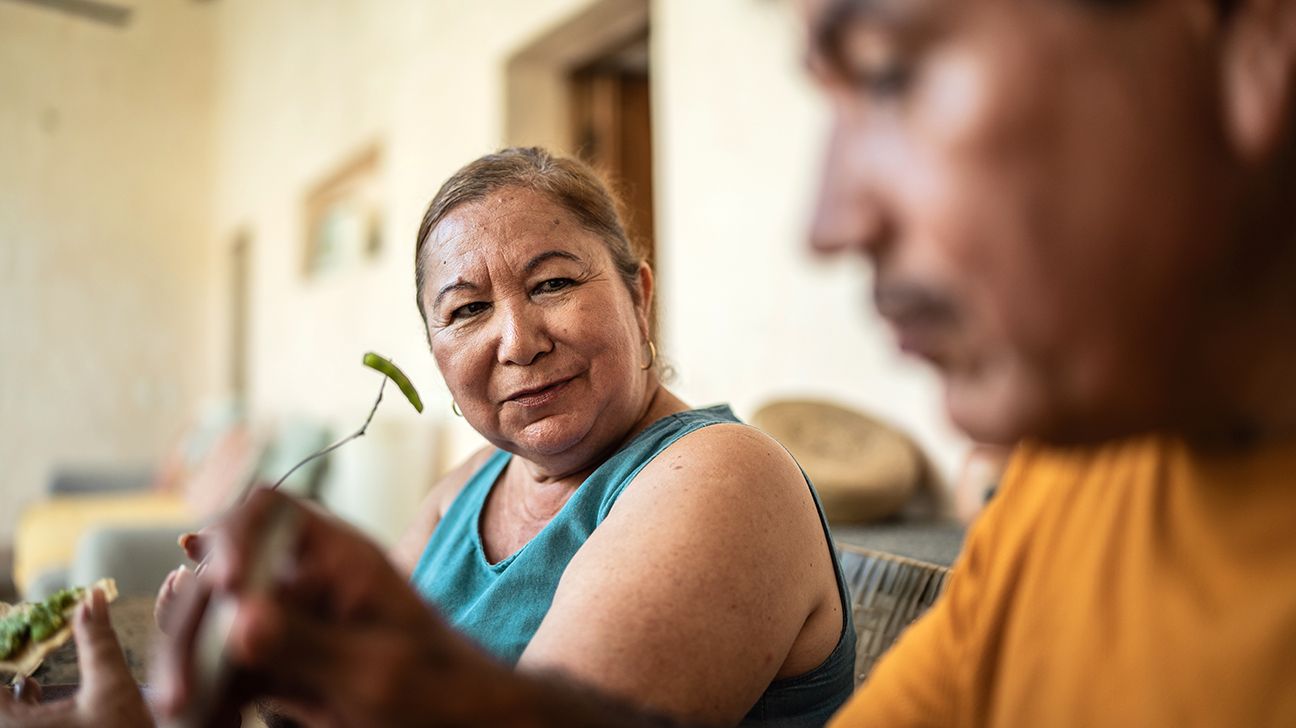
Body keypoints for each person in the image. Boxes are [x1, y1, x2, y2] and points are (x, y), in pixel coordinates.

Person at [14, 0, 1296, 724]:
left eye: (896, 76)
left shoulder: (718, 473)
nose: (828, 219)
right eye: (463, 308)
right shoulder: (1079, 501)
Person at [149, 147, 855, 727]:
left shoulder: (723, 474)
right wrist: (254, 650)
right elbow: (352, 693)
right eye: (469, 309)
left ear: (639, 297)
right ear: (437, 357)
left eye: (551, 284)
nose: (517, 342)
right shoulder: (470, 483)